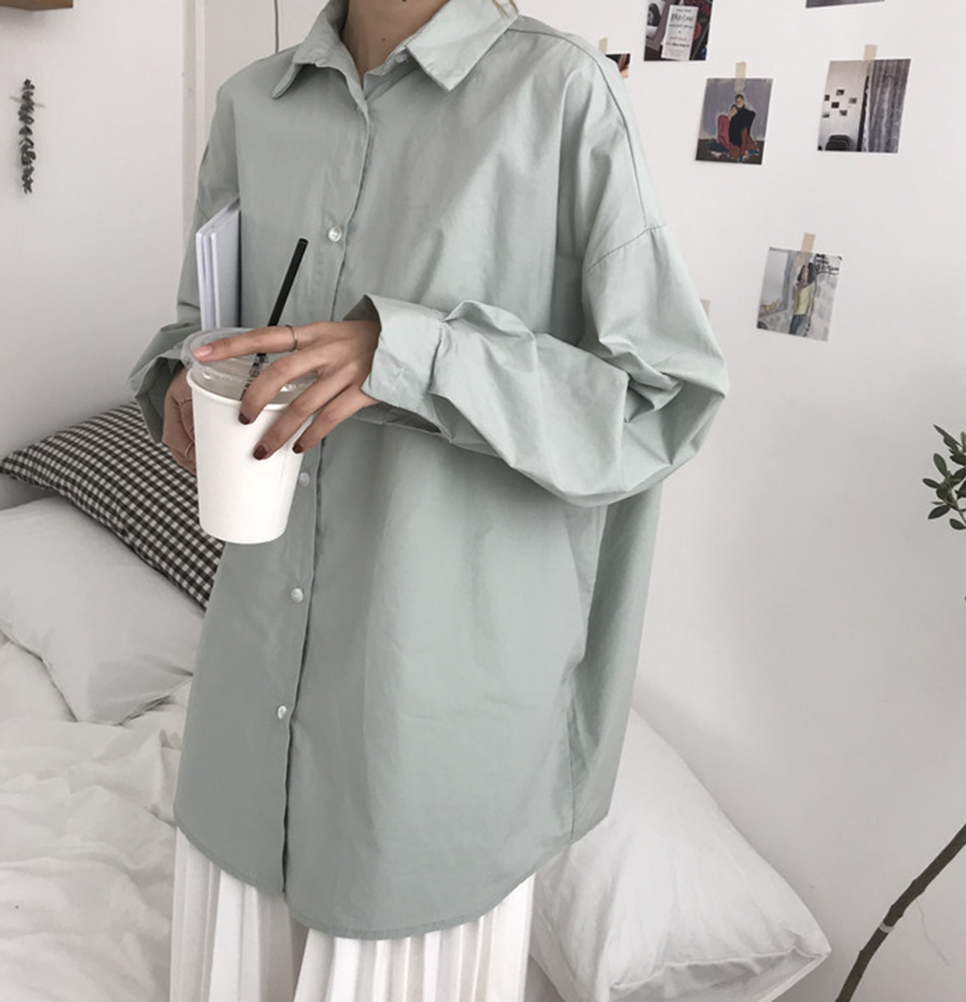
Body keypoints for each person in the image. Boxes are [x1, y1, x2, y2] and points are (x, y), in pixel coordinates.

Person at [126, 0, 728, 999]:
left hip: (423, 733)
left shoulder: (560, 95)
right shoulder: (250, 106)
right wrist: (180, 382)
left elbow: (662, 401)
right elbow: (205, 322)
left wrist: (409, 353)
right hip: (247, 709)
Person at [790, 261, 816, 336]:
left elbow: (811, 302)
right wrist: (795, 291)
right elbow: (794, 299)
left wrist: (808, 318)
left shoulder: (811, 286)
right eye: (803, 271)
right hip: (795, 314)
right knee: (791, 333)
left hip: (802, 316)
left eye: (806, 272)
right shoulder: (798, 284)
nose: (804, 273)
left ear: (809, 273)